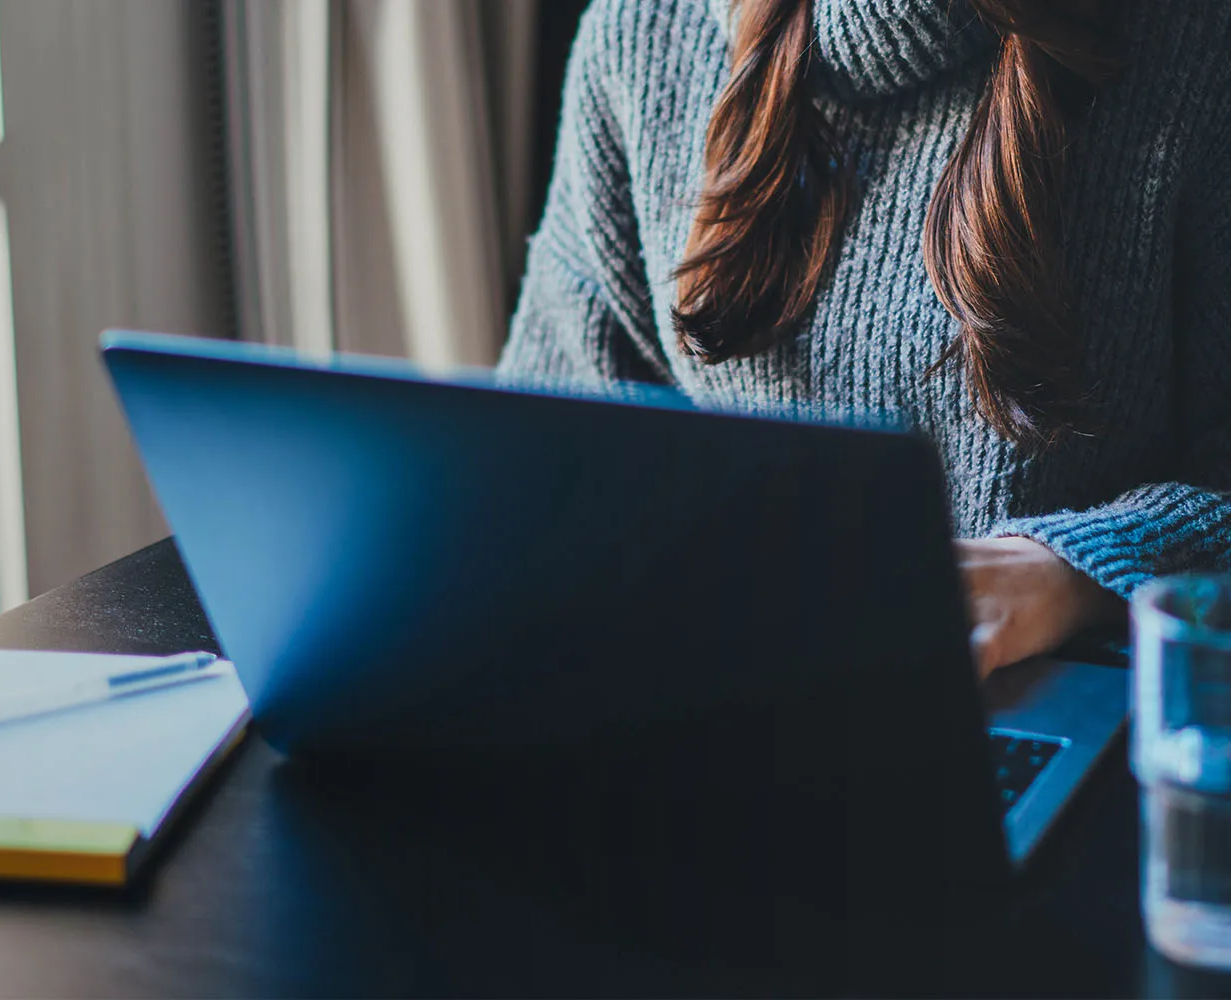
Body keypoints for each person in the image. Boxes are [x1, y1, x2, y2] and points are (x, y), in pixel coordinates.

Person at [500, 0, 1231, 675]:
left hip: (1092, 712)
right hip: (723, 710)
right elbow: (538, 476)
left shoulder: (1196, 43)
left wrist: (1070, 574)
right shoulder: (642, 32)